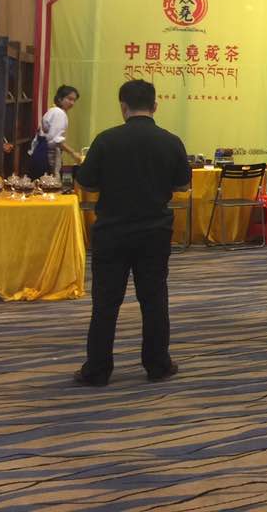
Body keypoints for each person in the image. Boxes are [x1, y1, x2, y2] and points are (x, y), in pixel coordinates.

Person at [73, 79, 191, 387]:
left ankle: (98, 370)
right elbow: (183, 185)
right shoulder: (171, 141)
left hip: (112, 232)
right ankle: (158, 365)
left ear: (123, 107)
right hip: (154, 232)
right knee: (154, 300)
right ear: (155, 106)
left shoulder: (106, 140)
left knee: (105, 303)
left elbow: (86, 182)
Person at [37, 85, 82, 177]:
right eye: (69, 99)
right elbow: (56, 140)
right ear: (60, 98)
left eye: (74, 100)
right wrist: (73, 153)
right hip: (48, 155)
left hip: (42, 151)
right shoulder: (59, 113)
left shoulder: (53, 110)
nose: (72, 103)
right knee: (50, 182)